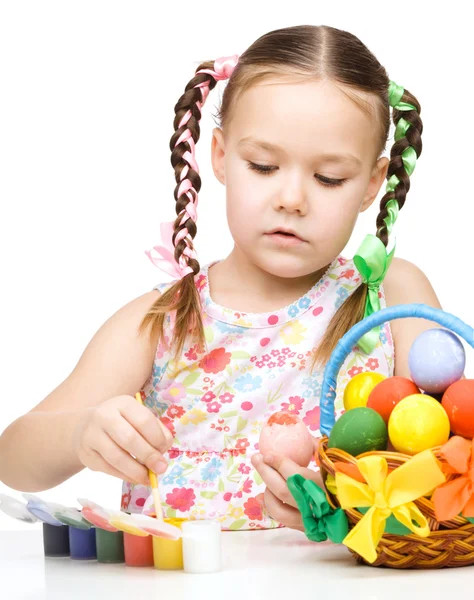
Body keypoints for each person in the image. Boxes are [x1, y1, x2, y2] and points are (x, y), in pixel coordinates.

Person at [0, 24, 442, 532]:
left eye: (329, 178)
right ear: (220, 157)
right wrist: (79, 434)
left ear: (371, 184)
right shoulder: (161, 321)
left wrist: (361, 498)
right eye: (263, 165)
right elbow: (13, 457)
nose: (292, 198)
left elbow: (456, 454)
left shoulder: (391, 298)